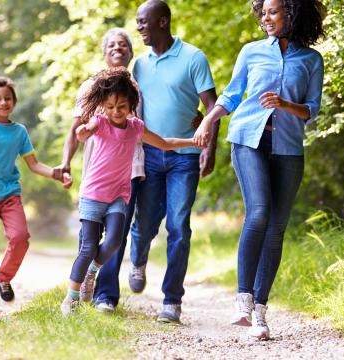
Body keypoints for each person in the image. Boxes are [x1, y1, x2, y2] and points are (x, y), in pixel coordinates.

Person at [194, 0, 325, 339]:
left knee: (277, 227)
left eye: (273, 11)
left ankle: (261, 314)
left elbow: (312, 110)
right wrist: (209, 119)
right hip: (248, 139)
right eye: (263, 12)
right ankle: (243, 300)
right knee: (259, 213)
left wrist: (284, 104)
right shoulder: (251, 52)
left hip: (288, 148)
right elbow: (233, 94)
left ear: (291, 14)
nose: (265, 18)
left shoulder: (311, 59)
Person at [59, 67, 201, 316]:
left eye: (122, 106)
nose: (116, 111)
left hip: (117, 196)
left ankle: (92, 272)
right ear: (103, 105)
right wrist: (83, 131)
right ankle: (70, 298)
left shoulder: (135, 127)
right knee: (88, 246)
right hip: (93, 194)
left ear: (132, 105)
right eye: (111, 106)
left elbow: (165, 143)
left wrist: (192, 141)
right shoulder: (100, 122)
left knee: (114, 240)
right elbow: (84, 132)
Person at [129, 0, 219, 324]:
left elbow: (211, 107)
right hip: (151, 155)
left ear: (162, 22)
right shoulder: (138, 65)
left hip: (185, 155)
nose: (139, 27)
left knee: (178, 226)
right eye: (137, 22)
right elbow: (130, 110)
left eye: (143, 22)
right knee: (145, 223)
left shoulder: (193, 57)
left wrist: (210, 148)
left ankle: (172, 301)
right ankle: (137, 260)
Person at [0, 77, 71, 316]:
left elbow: (33, 164)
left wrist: (57, 173)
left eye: (7, 98)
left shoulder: (19, 131)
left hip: (9, 193)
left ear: (14, 102)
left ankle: (3, 277)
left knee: (20, 237)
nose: (3, 103)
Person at [56, 28, 141, 313]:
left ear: (130, 52)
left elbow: (147, 133)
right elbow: (78, 130)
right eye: (112, 45)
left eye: (123, 44)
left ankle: (105, 294)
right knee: (89, 244)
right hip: (97, 178)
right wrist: (67, 162)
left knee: (117, 237)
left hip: (129, 174)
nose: (118, 48)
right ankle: (75, 296)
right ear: (104, 53)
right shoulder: (90, 88)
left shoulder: (136, 87)